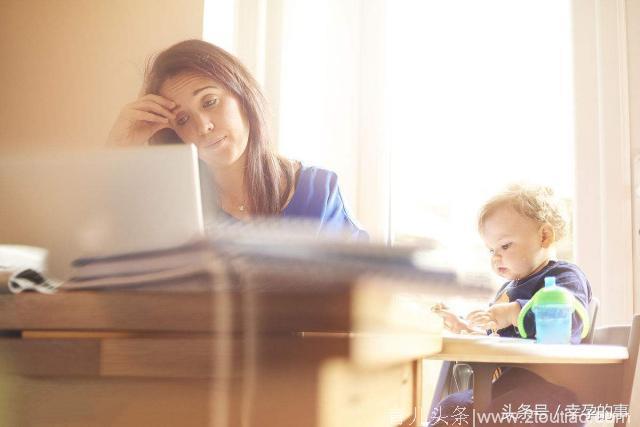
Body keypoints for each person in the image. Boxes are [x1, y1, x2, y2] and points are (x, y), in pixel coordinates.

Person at [107, 39, 367, 240]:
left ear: (243, 96)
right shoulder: (174, 206)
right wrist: (119, 148)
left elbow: (362, 289)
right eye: (183, 119)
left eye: (210, 102)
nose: (203, 126)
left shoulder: (318, 192)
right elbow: (102, 265)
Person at [430, 184, 592, 427]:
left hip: (551, 395)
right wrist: (465, 327)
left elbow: (572, 321)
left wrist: (515, 312)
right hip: (504, 389)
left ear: (544, 236)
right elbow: (497, 339)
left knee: (497, 414)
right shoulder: (507, 291)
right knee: (450, 409)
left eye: (505, 246)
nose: (496, 257)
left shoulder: (564, 277)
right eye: (491, 250)